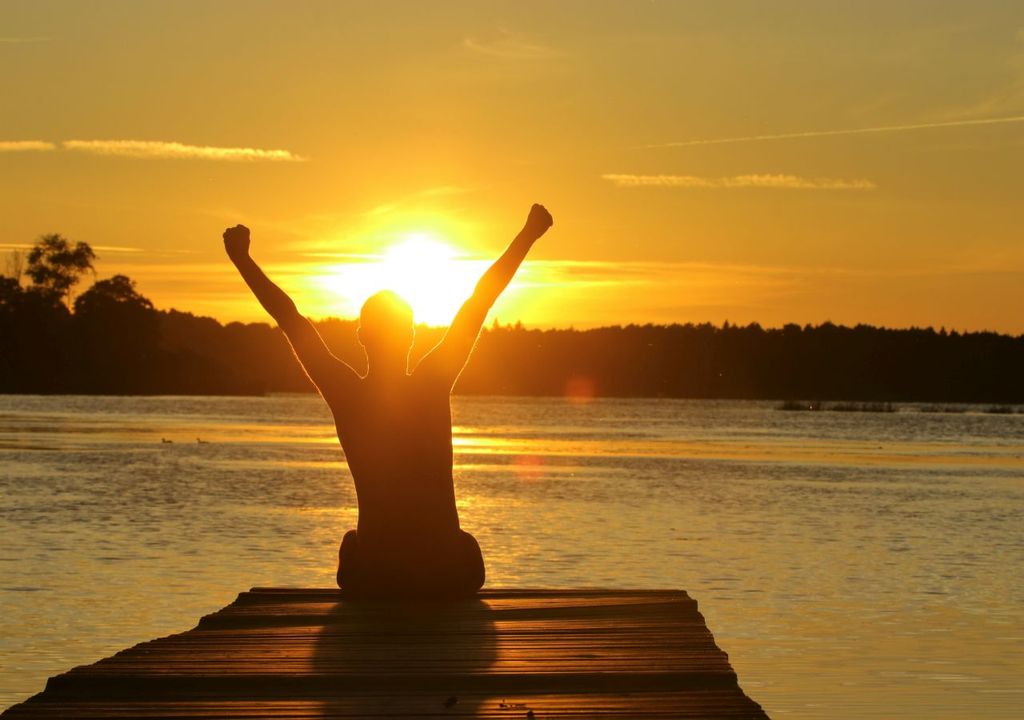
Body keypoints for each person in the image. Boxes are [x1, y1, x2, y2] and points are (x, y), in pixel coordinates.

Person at [224, 204, 553, 598]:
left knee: (350, 541)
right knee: (466, 544)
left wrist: (242, 260)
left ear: (362, 336)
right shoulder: (433, 382)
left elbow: (290, 319)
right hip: (446, 573)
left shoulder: (346, 392)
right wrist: (527, 234)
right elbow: (479, 301)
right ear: (411, 336)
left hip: (377, 575)